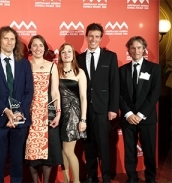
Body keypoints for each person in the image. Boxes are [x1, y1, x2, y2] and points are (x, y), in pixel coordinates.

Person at [0, 26, 33, 183]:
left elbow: (29, 91)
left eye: (12, 38)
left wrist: (18, 113)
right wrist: (5, 111)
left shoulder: (23, 63)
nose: (9, 42)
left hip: (20, 119)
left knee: (17, 158)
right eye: (6, 38)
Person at [76, 23, 119, 183]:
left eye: (97, 36)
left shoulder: (110, 57)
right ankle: (91, 176)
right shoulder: (79, 58)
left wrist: (113, 108)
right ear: (86, 37)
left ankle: (106, 177)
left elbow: (115, 84)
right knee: (88, 145)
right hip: (85, 110)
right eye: (91, 36)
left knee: (104, 146)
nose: (93, 39)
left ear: (101, 38)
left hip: (103, 109)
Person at [119, 36, 161, 183]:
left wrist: (141, 114)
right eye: (132, 48)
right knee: (130, 151)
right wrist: (129, 113)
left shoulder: (154, 68)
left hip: (147, 118)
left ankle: (150, 177)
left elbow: (154, 94)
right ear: (129, 50)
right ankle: (132, 177)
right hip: (128, 118)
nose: (136, 51)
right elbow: (119, 94)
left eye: (139, 48)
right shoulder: (122, 70)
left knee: (149, 151)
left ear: (144, 49)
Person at [24, 35, 62, 183]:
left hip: (47, 112)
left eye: (41, 45)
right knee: (31, 151)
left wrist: (57, 113)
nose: (38, 48)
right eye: (34, 45)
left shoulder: (51, 66)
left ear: (45, 48)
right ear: (30, 48)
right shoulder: (25, 65)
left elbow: (55, 92)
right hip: (29, 112)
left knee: (49, 152)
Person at [57, 43, 87, 183]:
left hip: (73, 114)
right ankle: (65, 179)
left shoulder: (79, 72)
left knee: (69, 151)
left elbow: (83, 97)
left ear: (73, 54)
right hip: (59, 114)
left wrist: (83, 119)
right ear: (60, 55)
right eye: (64, 52)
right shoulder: (56, 71)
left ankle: (76, 181)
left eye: (69, 51)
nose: (67, 54)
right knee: (62, 151)